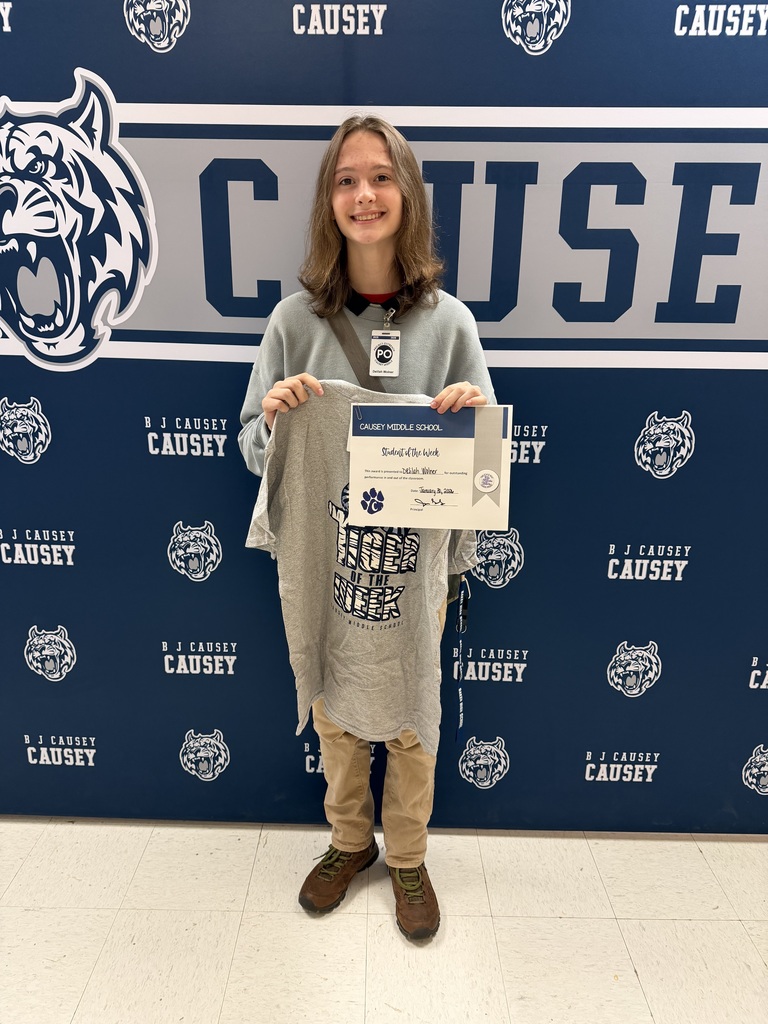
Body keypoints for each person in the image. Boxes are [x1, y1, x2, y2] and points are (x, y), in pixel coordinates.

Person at [238, 115, 495, 940]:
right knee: (336, 713)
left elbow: (483, 470)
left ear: (407, 193)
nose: (364, 194)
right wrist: (274, 423)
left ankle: (408, 856)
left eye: (382, 177)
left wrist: (470, 419)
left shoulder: (451, 324)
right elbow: (252, 448)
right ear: (329, 201)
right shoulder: (293, 323)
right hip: (328, 564)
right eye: (346, 180)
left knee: (413, 717)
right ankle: (350, 841)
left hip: (415, 571)